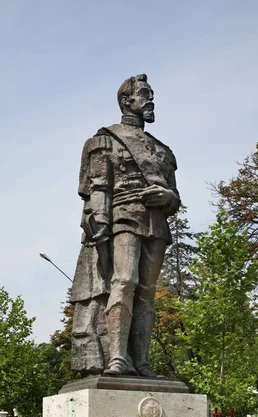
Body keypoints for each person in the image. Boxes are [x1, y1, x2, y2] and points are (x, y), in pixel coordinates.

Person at [70, 74, 181, 377]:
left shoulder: (163, 150)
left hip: (156, 225)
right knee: (124, 282)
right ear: (126, 101)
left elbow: (175, 197)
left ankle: (142, 363)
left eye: (150, 94)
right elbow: (99, 188)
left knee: (147, 291)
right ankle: (118, 358)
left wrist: (167, 196)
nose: (151, 100)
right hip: (123, 218)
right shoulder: (106, 139)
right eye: (145, 94)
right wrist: (100, 224)